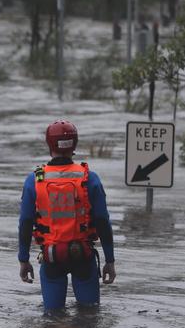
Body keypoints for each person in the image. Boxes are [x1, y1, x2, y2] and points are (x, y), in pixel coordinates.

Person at [18, 120, 116, 311]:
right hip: (83, 257)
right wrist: (110, 261)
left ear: (49, 145)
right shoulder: (90, 178)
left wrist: (23, 260)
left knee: (52, 318)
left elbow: (26, 222)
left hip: (52, 257)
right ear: (75, 144)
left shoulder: (35, 180)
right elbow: (103, 221)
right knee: (89, 316)